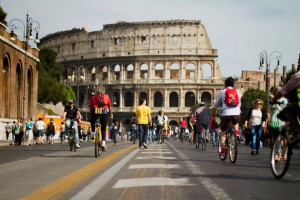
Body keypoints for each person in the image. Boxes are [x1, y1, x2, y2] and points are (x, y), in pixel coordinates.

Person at [213, 77, 241, 156]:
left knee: (223, 132)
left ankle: (223, 149)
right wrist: (239, 112)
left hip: (226, 114)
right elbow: (239, 103)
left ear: (225, 84)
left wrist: (214, 111)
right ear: (233, 84)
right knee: (236, 121)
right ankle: (236, 133)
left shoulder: (223, 91)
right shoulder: (237, 91)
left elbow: (216, 103)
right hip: (236, 113)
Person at [270, 66, 300, 142]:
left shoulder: (297, 76)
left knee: (288, 110)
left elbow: (283, 90)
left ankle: (297, 132)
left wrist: (274, 99)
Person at [90, 86, 113, 151]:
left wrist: (91, 114)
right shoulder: (106, 96)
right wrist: (110, 114)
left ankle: (93, 132)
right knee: (103, 127)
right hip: (103, 112)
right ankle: (103, 142)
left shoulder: (93, 97)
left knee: (92, 120)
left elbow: (91, 107)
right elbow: (109, 107)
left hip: (95, 111)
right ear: (104, 91)